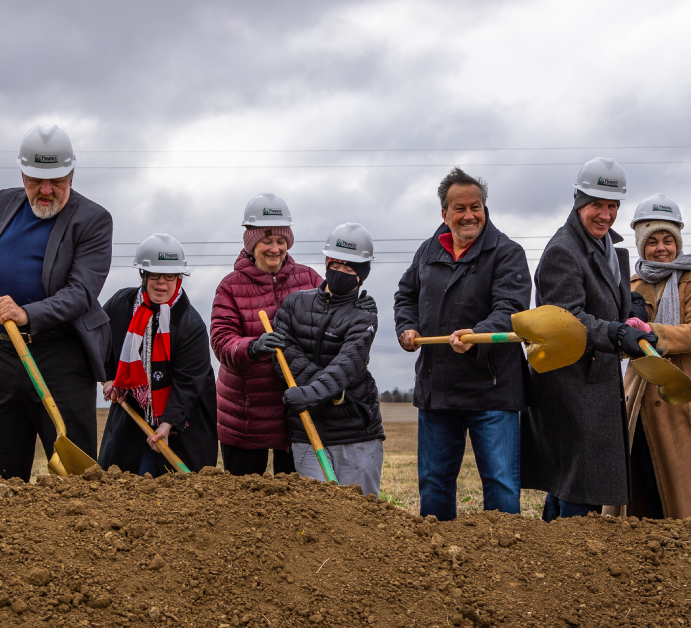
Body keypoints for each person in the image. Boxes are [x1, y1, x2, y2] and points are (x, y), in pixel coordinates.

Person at [0, 124, 112, 481]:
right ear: (22, 174)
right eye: (35, 180)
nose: (45, 191)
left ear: (72, 175)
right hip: (3, 358)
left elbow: (81, 293)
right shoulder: (4, 202)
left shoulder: (93, 220)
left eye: (56, 181)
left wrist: (26, 314)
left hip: (61, 360)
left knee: (73, 483)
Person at [521, 157, 658, 520]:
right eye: (596, 204)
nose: (605, 214)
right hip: (571, 383)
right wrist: (618, 334)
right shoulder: (563, 251)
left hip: (596, 379)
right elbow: (568, 321)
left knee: (572, 481)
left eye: (612, 206)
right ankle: (569, 561)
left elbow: (615, 296)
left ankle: (560, 554)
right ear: (578, 200)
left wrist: (635, 310)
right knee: (579, 485)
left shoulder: (609, 248)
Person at [394, 167, 531, 521]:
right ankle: (438, 558)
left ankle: (504, 559)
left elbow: (511, 309)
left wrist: (476, 336)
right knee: (434, 483)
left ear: (485, 208)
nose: (469, 215)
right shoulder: (427, 252)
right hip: (437, 391)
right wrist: (406, 327)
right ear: (444, 213)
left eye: (476, 207)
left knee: (500, 483)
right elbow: (405, 295)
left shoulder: (507, 252)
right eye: (460, 208)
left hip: (494, 390)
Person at [211, 193, 376, 476]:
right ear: (251, 243)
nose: (275, 249)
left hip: (299, 411)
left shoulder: (308, 278)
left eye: (281, 241)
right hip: (248, 414)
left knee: (293, 505)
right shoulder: (230, 287)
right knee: (244, 501)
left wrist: (353, 305)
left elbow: (332, 309)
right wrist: (253, 346)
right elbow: (222, 341)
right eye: (267, 241)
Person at [604, 194, 691, 519]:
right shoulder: (630, 283)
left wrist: (652, 333)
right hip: (642, 392)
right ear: (641, 245)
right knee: (647, 473)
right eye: (652, 241)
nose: (662, 248)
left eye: (668, 240)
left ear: (678, 241)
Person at [274, 223, 384, 495]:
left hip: (355, 432)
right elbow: (282, 353)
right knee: (319, 518)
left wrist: (309, 393)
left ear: (363, 273)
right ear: (326, 262)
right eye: (337, 264)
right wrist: (327, 391)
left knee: (362, 513)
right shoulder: (294, 304)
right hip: (306, 431)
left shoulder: (364, 316)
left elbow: (346, 365)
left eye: (351, 268)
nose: (342, 272)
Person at [99, 234, 217, 475]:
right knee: (118, 484)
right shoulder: (121, 304)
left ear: (179, 278)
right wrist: (109, 378)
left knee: (172, 492)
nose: (161, 283)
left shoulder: (190, 324)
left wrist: (166, 425)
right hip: (131, 416)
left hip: (181, 421)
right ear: (143, 275)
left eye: (170, 275)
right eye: (154, 275)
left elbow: (189, 384)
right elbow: (101, 344)